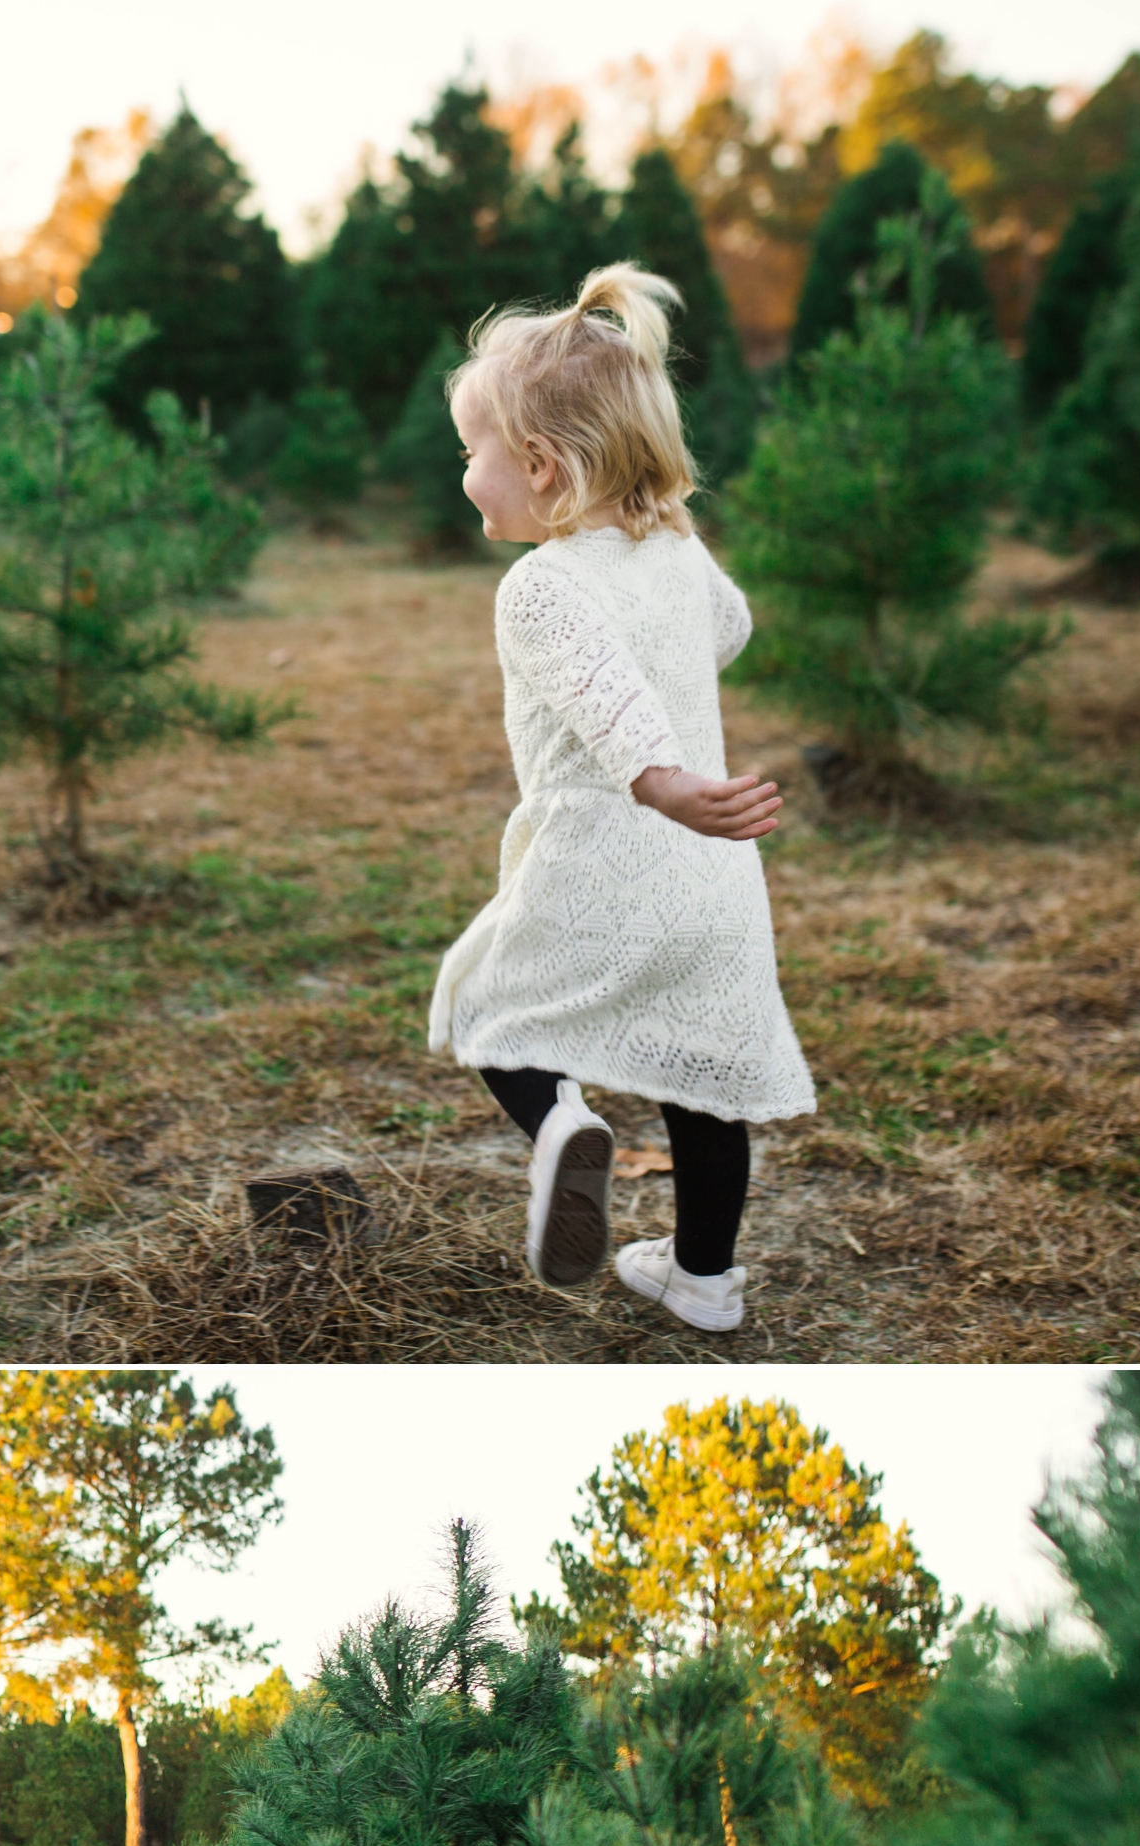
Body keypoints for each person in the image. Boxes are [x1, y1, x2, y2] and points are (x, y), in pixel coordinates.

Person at [427, 263, 815, 1334]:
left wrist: (660, 782)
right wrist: (667, 560)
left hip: (610, 844)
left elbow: (605, 697)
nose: (466, 473)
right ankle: (704, 1280)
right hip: (714, 876)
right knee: (705, 1077)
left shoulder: (539, 583)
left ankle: (558, 1128)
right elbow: (727, 629)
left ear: (541, 466)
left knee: (489, 1012)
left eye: (473, 454)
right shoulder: (677, 548)